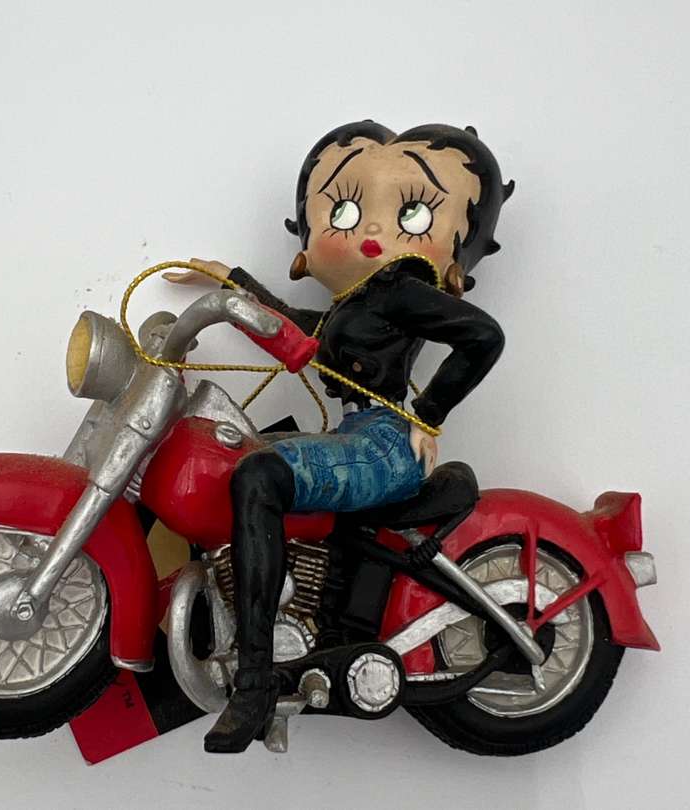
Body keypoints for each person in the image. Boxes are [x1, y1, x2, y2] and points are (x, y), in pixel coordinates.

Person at [168, 121, 514, 752]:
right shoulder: (358, 307)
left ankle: (255, 683)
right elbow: (300, 329)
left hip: (384, 444)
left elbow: (483, 336)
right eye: (347, 210)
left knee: (260, 474)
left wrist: (427, 415)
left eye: (411, 214)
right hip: (358, 433)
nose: (372, 228)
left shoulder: (401, 291)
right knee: (241, 458)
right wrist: (229, 284)